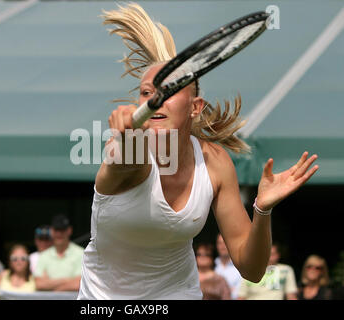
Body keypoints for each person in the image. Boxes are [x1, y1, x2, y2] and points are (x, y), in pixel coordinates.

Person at [77, 3, 319, 300]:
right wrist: (125, 135)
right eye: (146, 92)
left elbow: (252, 270)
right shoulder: (128, 151)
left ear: (195, 107)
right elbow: (128, 160)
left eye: (169, 90)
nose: (156, 99)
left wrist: (262, 209)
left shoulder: (215, 162)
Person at [34, 214, 84, 291]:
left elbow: (80, 284)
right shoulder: (44, 255)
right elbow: (39, 284)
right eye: (56, 230)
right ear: (51, 231)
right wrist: (66, 280)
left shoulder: (81, 253)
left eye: (62, 230)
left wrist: (53, 287)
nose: (59, 233)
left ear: (69, 230)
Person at [215, 233, 242, 299]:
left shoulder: (239, 267)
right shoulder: (212, 265)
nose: (222, 246)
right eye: (219, 243)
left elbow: (241, 293)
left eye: (225, 243)